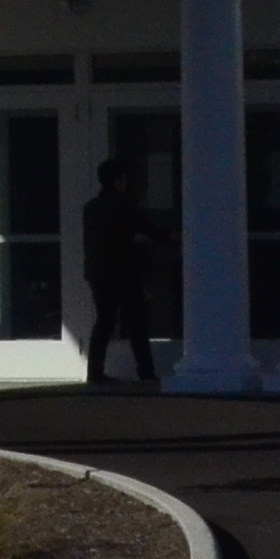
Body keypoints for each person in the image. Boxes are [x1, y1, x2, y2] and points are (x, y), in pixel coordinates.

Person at [78, 156, 165, 387]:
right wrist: (173, 236)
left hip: (98, 273)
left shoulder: (91, 208)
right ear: (118, 181)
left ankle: (94, 372)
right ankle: (145, 372)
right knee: (136, 323)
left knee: (104, 321)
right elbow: (151, 230)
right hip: (123, 272)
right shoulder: (125, 206)